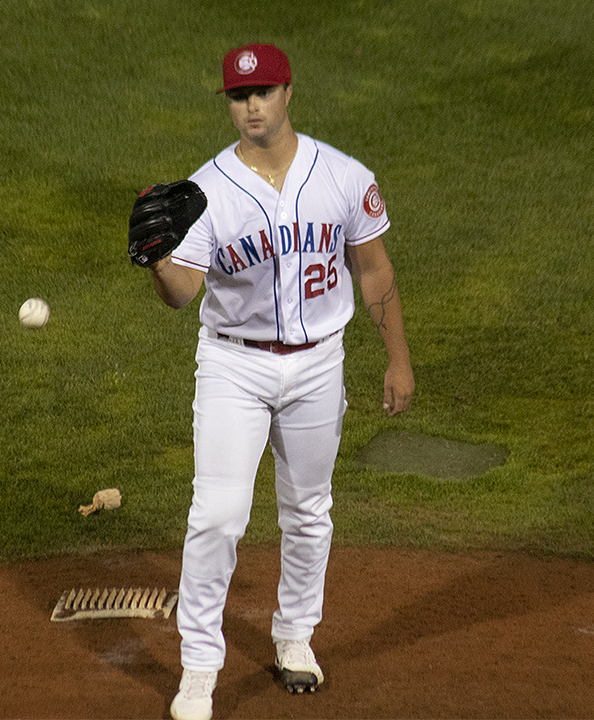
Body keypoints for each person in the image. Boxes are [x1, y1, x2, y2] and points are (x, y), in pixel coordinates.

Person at [147, 43, 415, 720]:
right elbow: (181, 296)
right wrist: (155, 260)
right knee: (217, 514)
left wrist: (398, 357)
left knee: (308, 510)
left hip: (320, 361)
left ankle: (295, 634)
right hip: (234, 366)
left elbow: (374, 269)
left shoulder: (343, 176)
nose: (252, 106)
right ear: (228, 104)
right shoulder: (203, 191)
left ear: (289, 92)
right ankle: (200, 670)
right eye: (239, 96)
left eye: (263, 91)